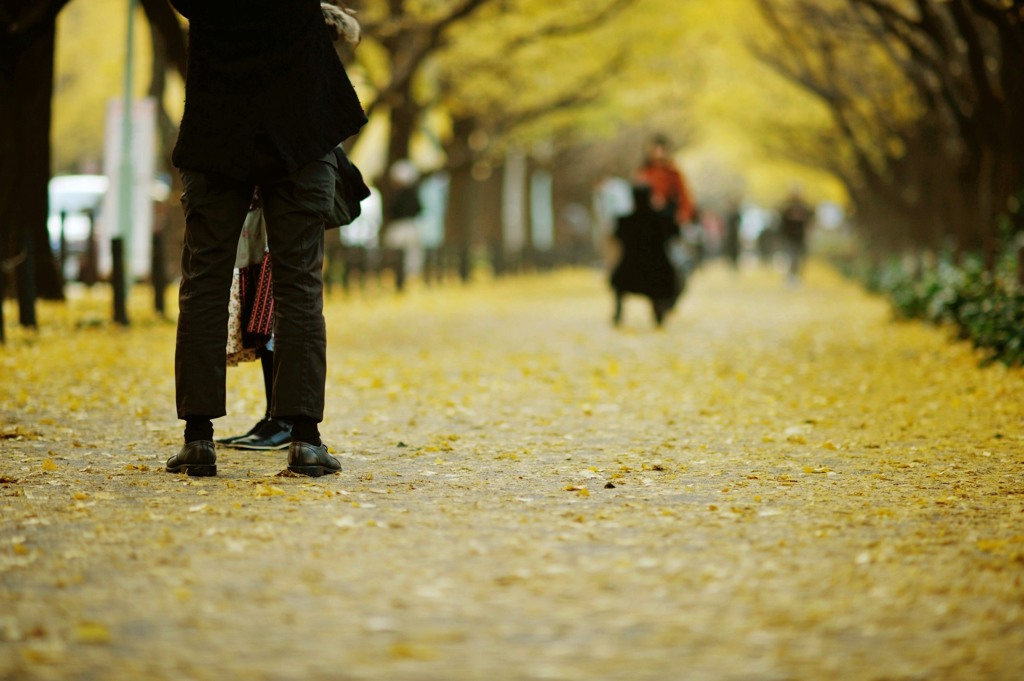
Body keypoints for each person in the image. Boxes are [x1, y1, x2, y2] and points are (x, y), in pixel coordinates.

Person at [165, 0, 366, 477]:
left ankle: (198, 438)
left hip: (217, 129)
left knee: (204, 284)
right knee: (298, 286)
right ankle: (304, 439)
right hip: (299, 132)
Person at [610, 184, 681, 327]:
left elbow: (616, 238)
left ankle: (618, 315)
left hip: (629, 270)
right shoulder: (660, 219)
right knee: (671, 281)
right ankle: (660, 313)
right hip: (658, 269)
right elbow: (674, 233)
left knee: (617, 282)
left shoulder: (625, 221)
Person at [636, 135, 694, 228]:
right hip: (647, 215)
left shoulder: (673, 173)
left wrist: (684, 214)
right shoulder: (645, 172)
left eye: (661, 150)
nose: (658, 154)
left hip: (667, 215)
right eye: (655, 150)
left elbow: (684, 196)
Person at [777, 187, 814, 285]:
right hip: (789, 236)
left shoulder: (804, 207)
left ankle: (795, 276)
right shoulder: (786, 207)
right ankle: (790, 277)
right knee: (791, 257)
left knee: (799, 258)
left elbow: (810, 217)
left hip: (800, 237)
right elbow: (781, 220)